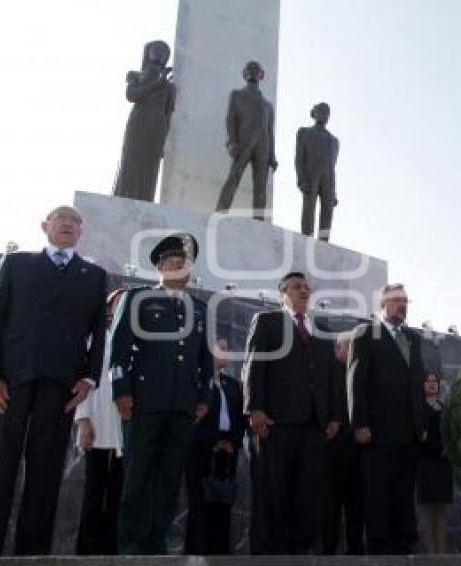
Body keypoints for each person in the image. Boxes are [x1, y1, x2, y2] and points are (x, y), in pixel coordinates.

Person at [0, 205, 107, 556]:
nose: (68, 225)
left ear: (81, 232)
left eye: (74, 221)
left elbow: (98, 333)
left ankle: (32, 552)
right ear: (45, 226)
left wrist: (88, 378)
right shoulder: (17, 264)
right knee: (0, 465)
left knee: (47, 467)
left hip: (62, 385)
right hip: (12, 380)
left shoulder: (93, 276)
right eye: (61, 219)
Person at [110, 232, 213, 555]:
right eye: (173, 261)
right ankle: (130, 548)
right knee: (137, 478)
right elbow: (119, 352)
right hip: (143, 403)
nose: (180, 267)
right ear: (159, 266)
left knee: (169, 480)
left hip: (182, 407)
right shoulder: (138, 297)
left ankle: (157, 545)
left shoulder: (200, 308)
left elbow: (204, 360)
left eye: (185, 263)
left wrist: (203, 398)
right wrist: (121, 392)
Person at [243, 271, 342, 554]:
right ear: (282, 293)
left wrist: (335, 415)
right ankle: (269, 556)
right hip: (275, 423)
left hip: (313, 427)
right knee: (272, 495)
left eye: (307, 287)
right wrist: (255, 409)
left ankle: (300, 552)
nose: (304, 291)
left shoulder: (321, 328)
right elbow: (252, 365)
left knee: (306, 495)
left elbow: (332, 375)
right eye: (297, 287)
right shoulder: (267, 321)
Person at [350, 283, 426, 554]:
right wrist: (359, 424)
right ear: (381, 303)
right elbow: (356, 382)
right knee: (378, 494)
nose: (402, 305)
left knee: (404, 494)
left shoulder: (413, 338)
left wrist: (422, 425)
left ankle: (404, 545)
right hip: (378, 432)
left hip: (409, 434)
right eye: (396, 300)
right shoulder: (366, 333)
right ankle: (379, 549)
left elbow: (416, 383)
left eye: (406, 301)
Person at [75, 288, 127, 555]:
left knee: (119, 492)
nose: (120, 308)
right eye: (116, 304)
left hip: (124, 427)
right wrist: (83, 420)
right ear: (108, 309)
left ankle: (111, 552)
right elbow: (83, 379)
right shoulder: (96, 339)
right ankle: (85, 553)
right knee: (94, 491)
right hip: (96, 422)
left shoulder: (135, 340)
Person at [184, 339, 244, 555]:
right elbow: (193, 419)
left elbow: (240, 420)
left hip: (226, 456)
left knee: (222, 507)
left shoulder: (232, 385)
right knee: (200, 508)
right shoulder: (197, 382)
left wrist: (232, 442)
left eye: (228, 348)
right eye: (221, 348)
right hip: (201, 453)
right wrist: (213, 442)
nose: (226, 352)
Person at [113, 40, 176, 202]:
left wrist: (164, 142)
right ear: (148, 52)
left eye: (165, 51)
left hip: (157, 127)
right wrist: (156, 84)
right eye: (157, 49)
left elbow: (168, 115)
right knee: (131, 161)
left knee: (150, 167)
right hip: (139, 122)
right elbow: (132, 96)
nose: (161, 53)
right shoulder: (136, 75)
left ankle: (145, 199)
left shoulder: (170, 87)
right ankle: (123, 196)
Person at [216, 60, 278, 221]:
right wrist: (231, 142)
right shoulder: (237, 95)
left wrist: (272, 155)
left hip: (263, 147)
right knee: (233, 178)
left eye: (256, 69)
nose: (252, 71)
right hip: (242, 143)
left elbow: (270, 131)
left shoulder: (268, 105)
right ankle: (220, 212)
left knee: (261, 187)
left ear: (261, 75)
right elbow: (230, 120)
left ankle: (259, 220)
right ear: (244, 74)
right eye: (249, 69)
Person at [321, 333, 365, 555]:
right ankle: (328, 552)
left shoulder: (359, 373)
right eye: (351, 348)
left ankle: (355, 552)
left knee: (356, 508)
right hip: (332, 453)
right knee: (330, 508)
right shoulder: (329, 373)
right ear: (339, 349)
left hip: (358, 454)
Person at [416, 370, 453, 554]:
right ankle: (432, 556)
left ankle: (442, 554)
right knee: (428, 509)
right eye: (428, 381)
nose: (432, 384)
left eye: (435, 381)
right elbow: (420, 438)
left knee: (442, 509)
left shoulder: (444, 407)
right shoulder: (419, 408)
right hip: (427, 463)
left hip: (444, 465)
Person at [296, 102, 340, 241]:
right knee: (309, 208)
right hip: (311, 175)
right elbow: (299, 158)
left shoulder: (334, 141)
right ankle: (306, 238)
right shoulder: (304, 132)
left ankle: (324, 242)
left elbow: (333, 167)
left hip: (328, 179)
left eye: (327, 112)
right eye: (321, 111)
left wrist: (334, 192)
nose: (324, 115)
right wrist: (301, 179)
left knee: (327, 212)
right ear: (314, 113)